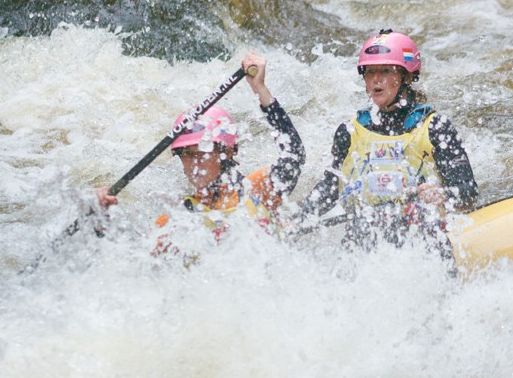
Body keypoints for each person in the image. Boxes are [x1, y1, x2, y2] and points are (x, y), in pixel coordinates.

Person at [292, 29, 478, 258]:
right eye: (370, 72)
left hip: (424, 237)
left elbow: (468, 192)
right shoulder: (349, 133)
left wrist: (443, 194)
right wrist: (299, 218)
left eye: (385, 71)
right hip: (364, 237)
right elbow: (331, 188)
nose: (376, 80)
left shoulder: (435, 128)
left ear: (406, 77)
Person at [97, 52, 305, 249]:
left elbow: (294, 155)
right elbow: (135, 266)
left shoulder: (256, 190)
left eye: (201, 153)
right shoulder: (176, 219)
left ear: (227, 152)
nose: (193, 163)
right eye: (186, 154)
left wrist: (259, 88)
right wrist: (100, 220)